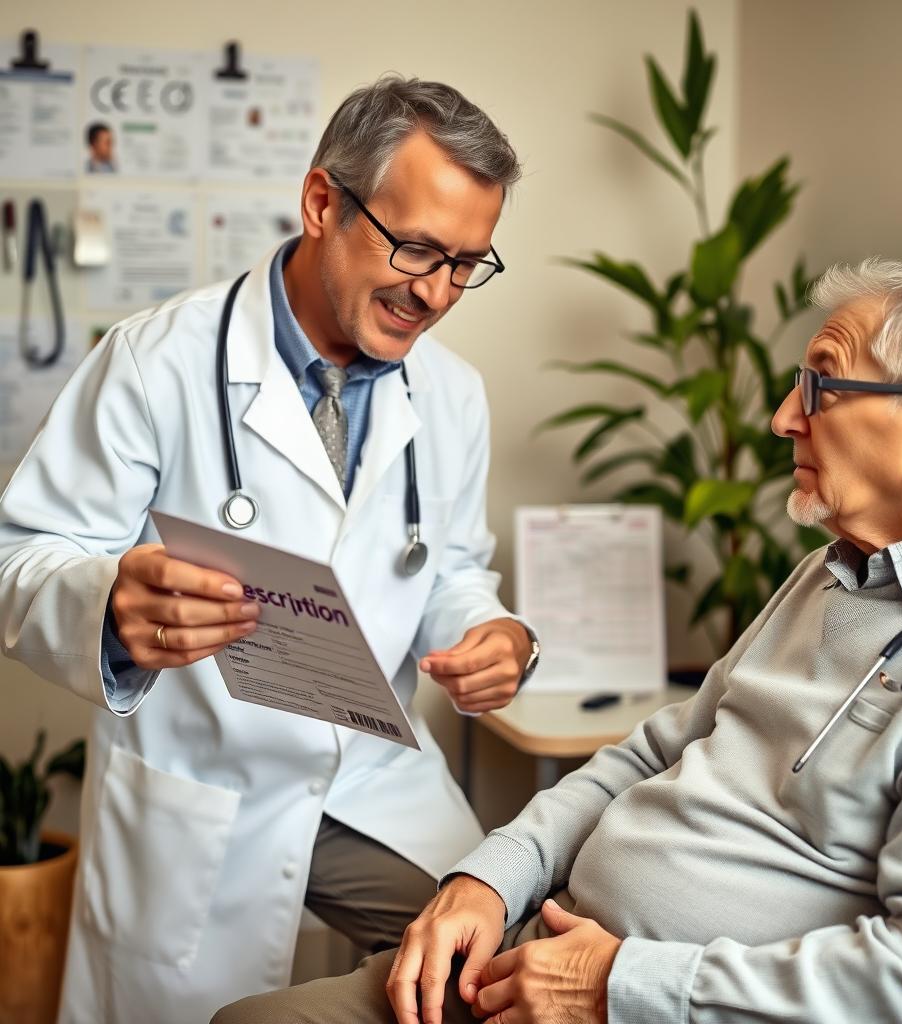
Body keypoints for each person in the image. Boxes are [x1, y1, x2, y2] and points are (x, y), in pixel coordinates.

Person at [215, 258, 902, 1024]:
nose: (783, 417)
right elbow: (651, 754)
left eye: (819, 385)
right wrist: (491, 880)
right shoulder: (834, 569)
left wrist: (616, 986)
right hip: (545, 945)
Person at [0, 76, 539, 1024]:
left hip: (372, 779)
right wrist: (111, 607)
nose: (436, 293)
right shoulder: (154, 360)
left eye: (466, 262)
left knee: (491, 979)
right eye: (415, 247)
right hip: (202, 784)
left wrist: (492, 631)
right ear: (323, 202)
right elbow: (22, 557)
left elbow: (450, 568)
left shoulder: (453, 394)